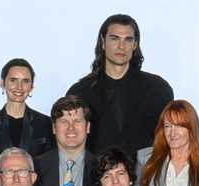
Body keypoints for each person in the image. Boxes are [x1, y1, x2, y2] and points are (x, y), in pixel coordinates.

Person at [66, 13, 174, 156]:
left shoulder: (158, 90)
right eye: (114, 38)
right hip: (96, 174)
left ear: (135, 44)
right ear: (103, 42)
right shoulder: (80, 92)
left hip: (146, 175)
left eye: (128, 40)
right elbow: (69, 142)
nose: (121, 46)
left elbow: (169, 138)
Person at [33, 96, 100, 186]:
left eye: (77, 121)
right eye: (64, 122)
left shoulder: (102, 168)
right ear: (54, 128)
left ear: (88, 127)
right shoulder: (35, 167)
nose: (71, 128)